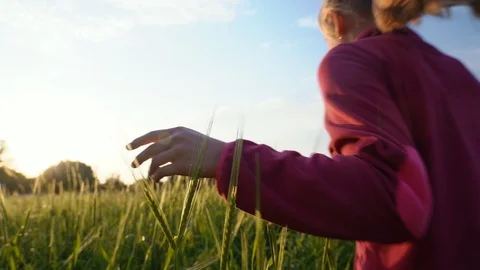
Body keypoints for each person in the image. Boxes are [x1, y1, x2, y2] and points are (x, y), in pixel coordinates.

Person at [126, 0, 480, 269]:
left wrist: (227, 160)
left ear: (337, 23)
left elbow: (392, 197)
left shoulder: (351, 58)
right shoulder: (459, 73)